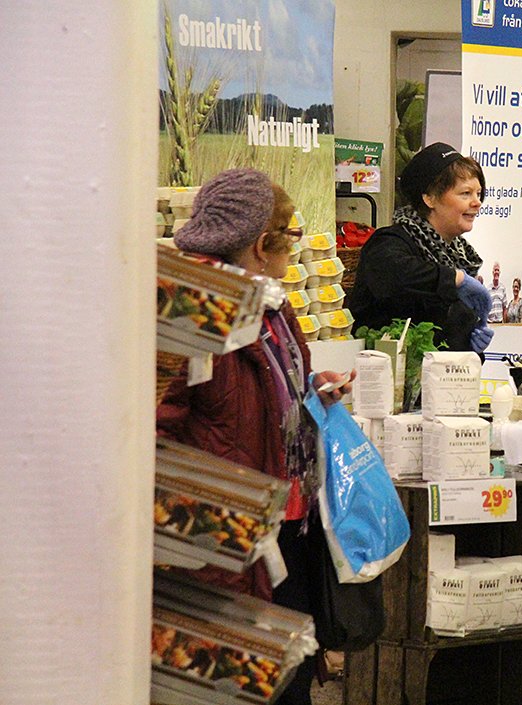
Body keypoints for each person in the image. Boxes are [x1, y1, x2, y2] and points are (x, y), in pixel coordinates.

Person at [157, 168, 353, 705]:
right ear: (259, 244)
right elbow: (157, 429)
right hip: (227, 547)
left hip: (287, 531)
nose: (294, 247)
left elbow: (266, 387)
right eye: (289, 236)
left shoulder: (272, 304)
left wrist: (311, 389)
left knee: (288, 680)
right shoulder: (193, 311)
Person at [348, 142, 494, 353]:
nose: (477, 202)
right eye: (465, 193)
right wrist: (456, 279)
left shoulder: (459, 256)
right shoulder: (389, 242)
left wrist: (471, 347)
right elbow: (396, 276)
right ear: (429, 198)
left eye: (478, 194)